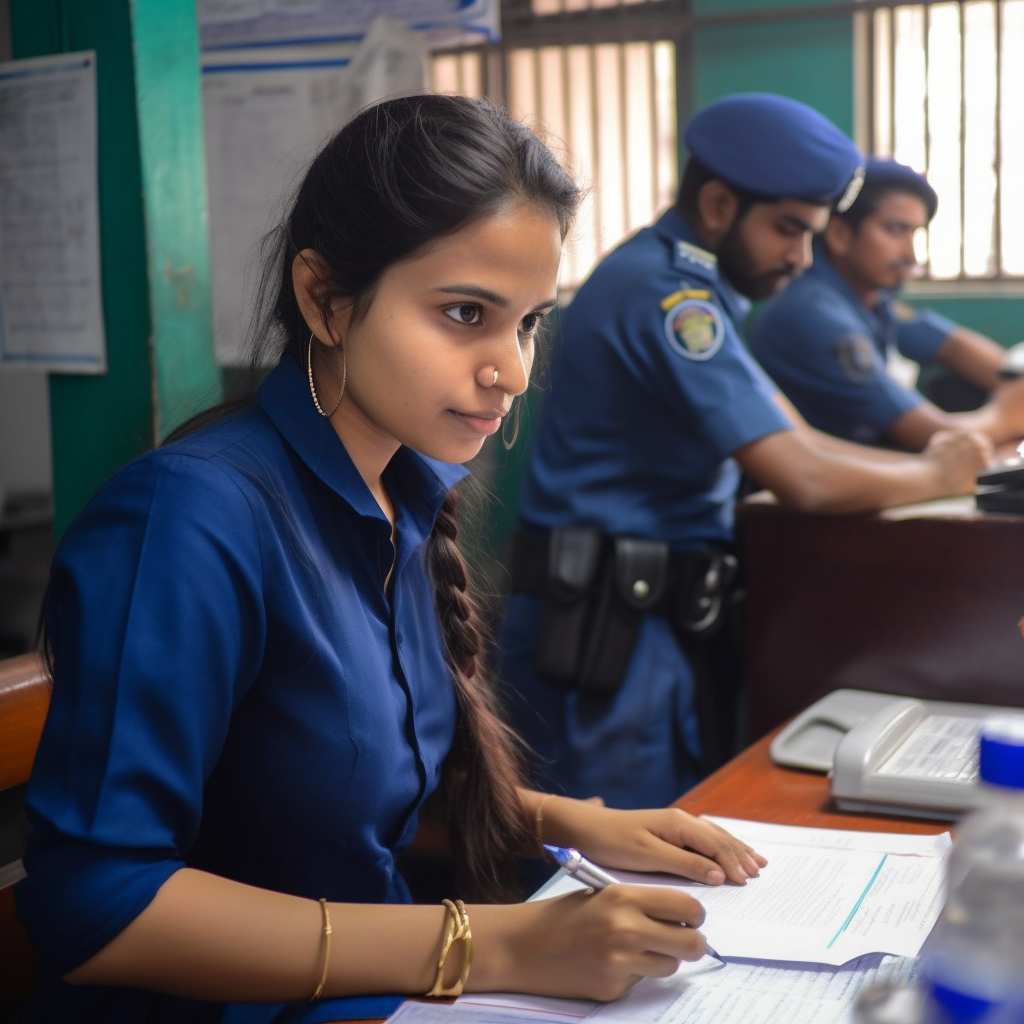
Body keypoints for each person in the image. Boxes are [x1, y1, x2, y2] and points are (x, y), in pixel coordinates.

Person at [11, 94, 768, 1024]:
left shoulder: (402, 498)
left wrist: (573, 821)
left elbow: (339, 792)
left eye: (528, 322)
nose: (514, 369)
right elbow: (98, 907)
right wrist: (492, 945)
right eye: (464, 313)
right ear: (325, 298)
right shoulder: (190, 517)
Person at [497, 94, 993, 813]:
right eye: (788, 230)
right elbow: (802, 476)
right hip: (606, 632)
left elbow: (800, 441)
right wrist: (936, 473)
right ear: (721, 203)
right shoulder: (665, 295)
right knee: (603, 863)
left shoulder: (697, 284)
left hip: (650, 619)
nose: (801, 255)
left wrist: (939, 470)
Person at [749, 156, 1024, 451]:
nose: (911, 255)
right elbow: (935, 436)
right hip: (845, 483)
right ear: (840, 234)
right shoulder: (814, 315)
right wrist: (1005, 415)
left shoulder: (870, 301)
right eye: (895, 230)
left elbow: (954, 345)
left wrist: (1011, 378)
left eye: (915, 234)